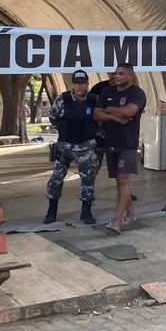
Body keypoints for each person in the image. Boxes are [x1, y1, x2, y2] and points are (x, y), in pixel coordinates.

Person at [93, 63, 146, 233]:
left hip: (128, 143)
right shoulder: (107, 92)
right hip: (110, 141)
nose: (117, 77)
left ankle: (116, 221)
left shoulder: (137, 93)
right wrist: (115, 118)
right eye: (115, 73)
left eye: (121, 74)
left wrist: (109, 109)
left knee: (123, 180)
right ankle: (131, 215)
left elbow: (129, 111)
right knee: (119, 181)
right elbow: (96, 115)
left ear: (130, 76)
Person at [43, 69, 100, 225]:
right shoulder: (63, 99)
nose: (80, 87)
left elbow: (100, 120)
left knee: (88, 178)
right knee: (56, 178)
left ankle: (86, 210)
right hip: (65, 146)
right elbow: (53, 117)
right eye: (77, 83)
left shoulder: (94, 100)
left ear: (88, 84)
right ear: (73, 84)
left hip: (85, 146)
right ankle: (52, 210)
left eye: (83, 83)